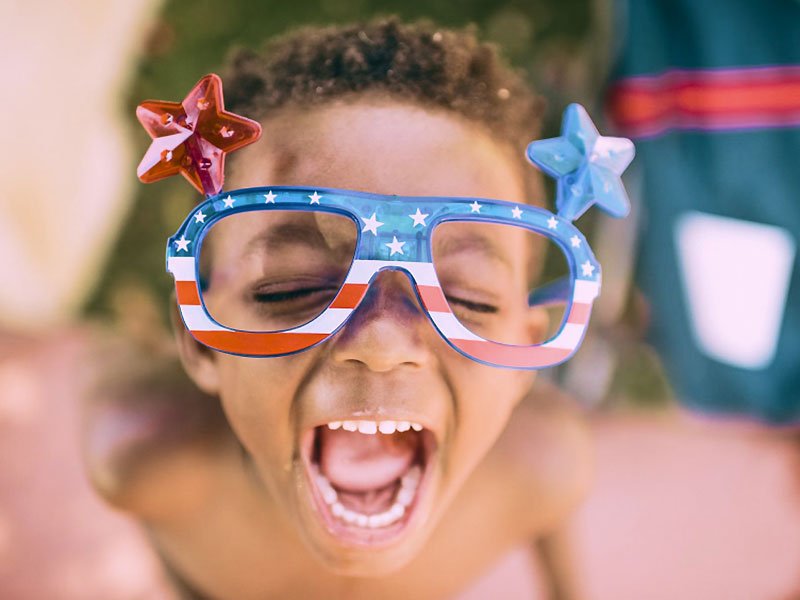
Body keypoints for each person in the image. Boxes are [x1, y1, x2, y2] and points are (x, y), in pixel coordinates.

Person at [83, 16, 621, 599]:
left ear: (526, 360)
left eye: (469, 300)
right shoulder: (144, 465)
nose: (382, 341)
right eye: (288, 290)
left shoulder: (546, 470)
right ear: (199, 340)